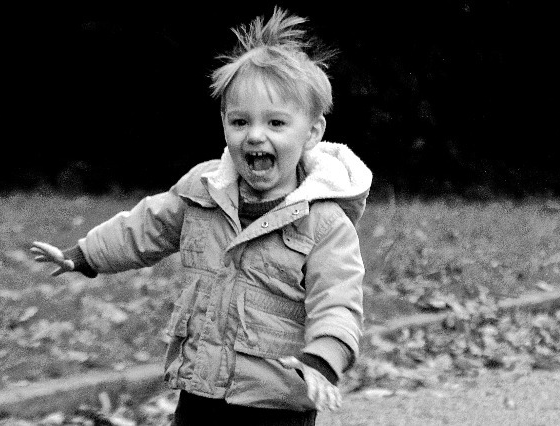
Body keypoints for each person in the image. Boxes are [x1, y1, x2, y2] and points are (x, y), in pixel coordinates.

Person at [30, 8, 370, 425]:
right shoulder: (203, 190)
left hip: (276, 401)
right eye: (240, 121)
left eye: (276, 122)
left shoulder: (324, 222)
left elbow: (337, 300)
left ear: (312, 132)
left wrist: (323, 359)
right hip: (201, 387)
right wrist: (84, 255)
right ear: (224, 125)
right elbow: (147, 226)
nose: (255, 135)